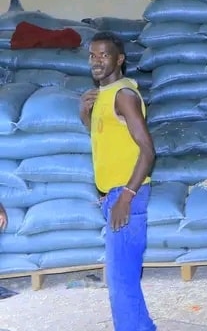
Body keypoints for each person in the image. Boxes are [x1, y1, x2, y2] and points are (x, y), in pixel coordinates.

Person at [79, 32, 156, 331]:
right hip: (114, 194)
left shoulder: (124, 95)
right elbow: (106, 141)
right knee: (122, 280)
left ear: (120, 59)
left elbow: (148, 150)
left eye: (104, 55)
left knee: (121, 281)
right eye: (92, 55)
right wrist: (85, 115)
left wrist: (125, 196)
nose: (97, 61)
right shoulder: (102, 95)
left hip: (127, 196)